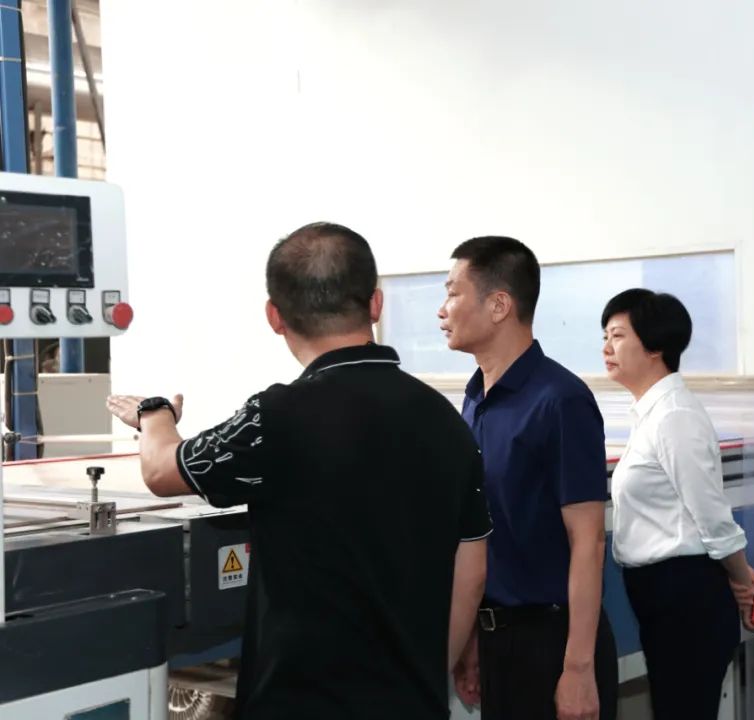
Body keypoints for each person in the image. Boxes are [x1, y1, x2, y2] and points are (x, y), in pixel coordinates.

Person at [106, 222, 491, 720]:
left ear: (274, 316)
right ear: (375, 303)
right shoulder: (445, 420)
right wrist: (423, 678)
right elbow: (472, 569)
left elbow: (162, 470)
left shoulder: (276, 418)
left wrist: (154, 414)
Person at [438, 236, 617, 720]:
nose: (442, 310)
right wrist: (472, 638)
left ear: (499, 305)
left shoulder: (560, 400)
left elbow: (588, 542)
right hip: (498, 643)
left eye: (453, 293)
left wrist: (578, 668)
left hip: (552, 643)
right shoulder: (475, 397)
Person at [600, 288, 754, 720]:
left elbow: (711, 515)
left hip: (685, 594)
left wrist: (742, 581)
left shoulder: (675, 416)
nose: (606, 348)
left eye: (617, 336)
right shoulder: (651, 414)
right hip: (665, 594)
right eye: (605, 336)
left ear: (654, 347)